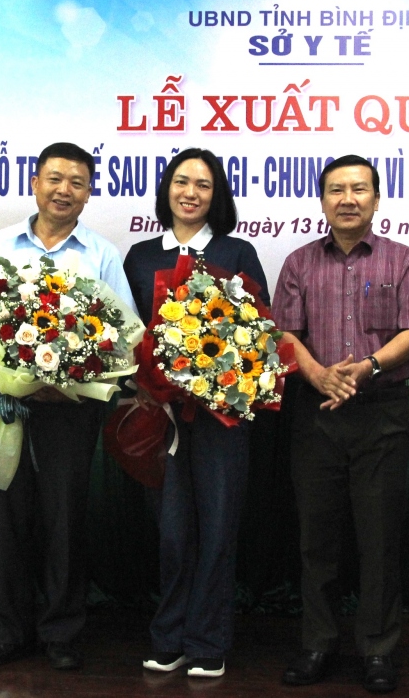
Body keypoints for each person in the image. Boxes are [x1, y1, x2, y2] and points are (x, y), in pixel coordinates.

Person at [271, 155, 409, 694]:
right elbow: (284, 335)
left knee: (379, 538)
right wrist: (318, 375)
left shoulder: (403, 260)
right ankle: (318, 643)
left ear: (376, 198)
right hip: (314, 415)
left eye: (358, 189)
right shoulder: (297, 263)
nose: (347, 198)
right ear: (321, 200)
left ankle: (378, 650)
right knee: (316, 540)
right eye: (336, 189)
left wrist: (367, 368)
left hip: (381, 414)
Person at [0, 142, 137, 672]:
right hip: (8, 401)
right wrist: (16, 378)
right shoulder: (2, 244)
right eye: (54, 178)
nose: (64, 189)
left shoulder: (101, 254)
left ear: (90, 194)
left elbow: (122, 335)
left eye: (77, 182)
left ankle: (61, 632)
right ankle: (7, 631)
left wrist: (70, 380)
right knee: (7, 514)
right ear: (36, 183)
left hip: (73, 407)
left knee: (66, 517)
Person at [121, 148, 267, 679]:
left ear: (216, 195)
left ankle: (208, 641)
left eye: (203, 185)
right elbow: (124, 334)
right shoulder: (138, 256)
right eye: (181, 182)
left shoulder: (238, 252)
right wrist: (149, 383)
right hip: (158, 416)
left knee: (219, 526)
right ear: (166, 191)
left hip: (221, 419)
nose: (190, 193)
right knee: (172, 530)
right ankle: (169, 635)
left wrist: (216, 380)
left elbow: (258, 336)